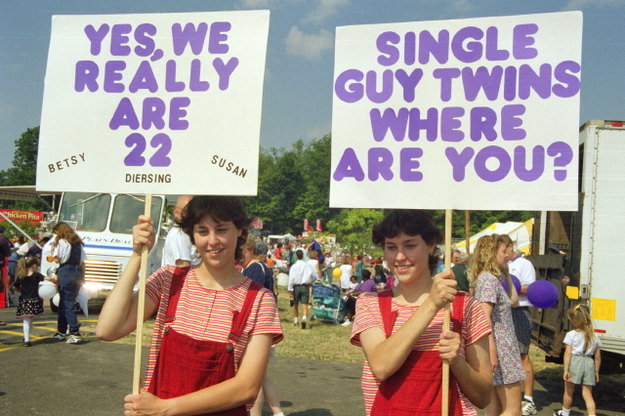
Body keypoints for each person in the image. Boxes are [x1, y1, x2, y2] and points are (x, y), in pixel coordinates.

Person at [96, 196, 283, 415]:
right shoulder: (169, 281)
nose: (212, 241)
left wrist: (166, 408)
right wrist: (137, 255)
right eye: (202, 231)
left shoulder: (259, 299)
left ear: (240, 230)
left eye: (221, 229)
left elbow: (247, 388)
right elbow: (107, 329)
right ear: (192, 235)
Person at [351, 210, 492, 415]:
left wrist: (457, 362)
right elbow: (381, 366)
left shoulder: (466, 306)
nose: (399, 256)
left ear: (430, 245)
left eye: (410, 245)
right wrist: (431, 305)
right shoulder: (370, 303)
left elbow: (483, 396)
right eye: (391, 247)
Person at [469, 234, 525, 416]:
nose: (507, 255)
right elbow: (484, 317)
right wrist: (492, 351)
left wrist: (507, 274)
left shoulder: (490, 278)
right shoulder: (488, 279)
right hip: (501, 349)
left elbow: (514, 301)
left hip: (501, 348)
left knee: (495, 409)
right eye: (503, 251)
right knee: (513, 410)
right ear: (491, 253)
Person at [504, 238, 538, 416]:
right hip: (504, 312)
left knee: (522, 355)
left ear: (510, 247)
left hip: (520, 312)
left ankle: (529, 399)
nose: (503, 252)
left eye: (504, 248)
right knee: (507, 356)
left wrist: (511, 286)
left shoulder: (524, 264)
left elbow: (532, 288)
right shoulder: (502, 264)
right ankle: (512, 397)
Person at [554, 305, 601, 416]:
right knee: (588, 394)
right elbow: (598, 356)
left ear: (575, 321)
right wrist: (596, 371)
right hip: (589, 362)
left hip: (576, 362)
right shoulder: (595, 336)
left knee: (569, 391)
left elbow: (568, 353)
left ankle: (565, 413)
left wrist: (566, 369)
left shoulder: (571, 335)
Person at [50, 222, 86, 344]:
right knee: (65, 301)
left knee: (67, 302)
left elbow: (57, 259)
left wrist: (52, 251)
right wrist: (83, 277)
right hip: (77, 272)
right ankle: (61, 330)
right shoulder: (78, 243)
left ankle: (74, 331)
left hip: (66, 271)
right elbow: (82, 262)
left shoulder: (61, 242)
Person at [13, 257, 47, 346]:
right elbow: (47, 279)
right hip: (34, 300)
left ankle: (26, 337)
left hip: (24, 300)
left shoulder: (21, 275)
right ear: (34, 265)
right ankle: (26, 339)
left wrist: (22, 291)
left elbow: (15, 287)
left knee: (27, 320)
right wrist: (55, 278)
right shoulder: (36, 275)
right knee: (29, 320)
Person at [162, 195, 198, 268]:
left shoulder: (187, 232)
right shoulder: (180, 234)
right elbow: (183, 267)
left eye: (194, 211)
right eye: (187, 211)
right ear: (176, 212)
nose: (192, 215)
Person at [287, 249, 315, 329]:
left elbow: (291, 278)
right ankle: (304, 318)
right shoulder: (307, 265)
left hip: (296, 287)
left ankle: (296, 320)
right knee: (304, 304)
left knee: (295, 304)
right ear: (303, 256)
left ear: (296, 256)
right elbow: (312, 276)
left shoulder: (294, 266)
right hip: (304, 286)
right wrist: (310, 282)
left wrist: (289, 289)